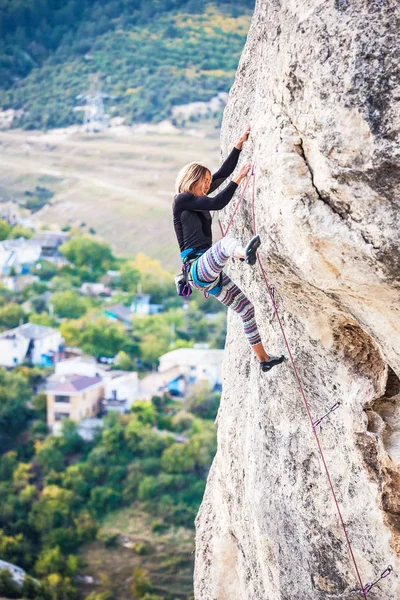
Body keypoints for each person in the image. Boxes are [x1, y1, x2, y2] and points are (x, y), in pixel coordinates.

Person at [173, 126, 284, 373]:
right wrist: (239, 178)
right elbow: (218, 202)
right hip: (197, 268)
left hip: (208, 276)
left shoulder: (197, 198)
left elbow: (223, 173)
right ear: (194, 180)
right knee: (225, 245)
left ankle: (264, 360)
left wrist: (239, 144)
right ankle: (246, 255)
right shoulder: (182, 199)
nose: (208, 186)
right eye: (205, 182)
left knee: (247, 309)